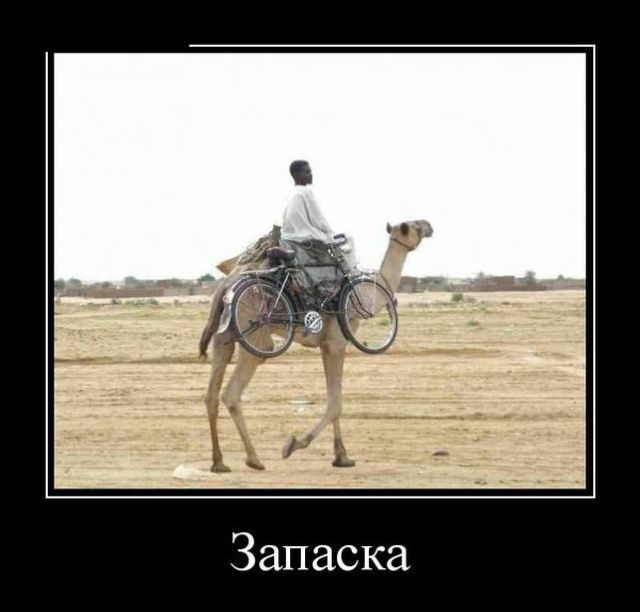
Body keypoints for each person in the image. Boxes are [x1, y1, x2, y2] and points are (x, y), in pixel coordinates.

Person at [280, 161, 357, 310]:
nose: (311, 175)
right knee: (345, 244)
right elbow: (319, 220)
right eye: (307, 172)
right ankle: (333, 297)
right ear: (297, 175)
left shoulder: (291, 194)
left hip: (291, 239)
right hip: (307, 240)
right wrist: (332, 235)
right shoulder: (306, 192)